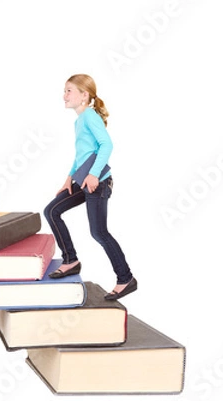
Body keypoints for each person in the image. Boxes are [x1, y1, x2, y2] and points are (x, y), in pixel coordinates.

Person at [43, 73, 136, 301]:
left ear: (84, 95)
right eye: (64, 90)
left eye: (68, 91)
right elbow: (82, 153)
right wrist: (69, 178)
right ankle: (71, 260)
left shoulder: (89, 116)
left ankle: (126, 279)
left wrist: (94, 175)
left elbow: (106, 144)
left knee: (98, 232)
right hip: (84, 181)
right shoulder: (80, 120)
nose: (64, 95)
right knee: (52, 211)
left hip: (99, 182)